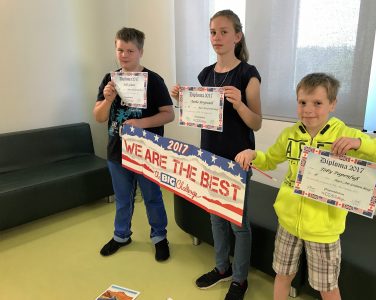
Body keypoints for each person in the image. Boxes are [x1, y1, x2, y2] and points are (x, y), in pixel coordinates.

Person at [235, 72, 376, 300]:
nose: (308, 110)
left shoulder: (346, 136)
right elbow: (270, 159)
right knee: (282, 275)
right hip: (288, 223)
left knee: (327, 287)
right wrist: (253, 154)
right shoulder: (290, 134)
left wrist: (361, 144)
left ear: (332, 104)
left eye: (318, 103)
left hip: (324, 231)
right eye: (302, 102)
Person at [171, 9, 262, 300]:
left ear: (237, 36)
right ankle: (221, 268)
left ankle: (240, 279)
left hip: (238, 159)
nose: (217, 38)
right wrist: (181, 101)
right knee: (215, 217)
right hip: (209, 156)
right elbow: (202, 117)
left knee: (239, 223)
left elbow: (256, 122)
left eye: (224, 32)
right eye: (213, 32)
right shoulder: (206, 74)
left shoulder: (249, 74)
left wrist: (238, 104)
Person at [94, 27, 174, 261]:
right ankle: (121, 235)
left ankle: (159, 236)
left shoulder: (154, 80)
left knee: (152, 196)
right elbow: (99, 117)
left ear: (140, 51)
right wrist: (108, 100)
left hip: (147, 151)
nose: (124, 55)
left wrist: (142, 123)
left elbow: (168, 114)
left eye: (130, 50)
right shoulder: (109, 79)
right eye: (120, 50)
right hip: (117, 149)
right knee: (122, 197)